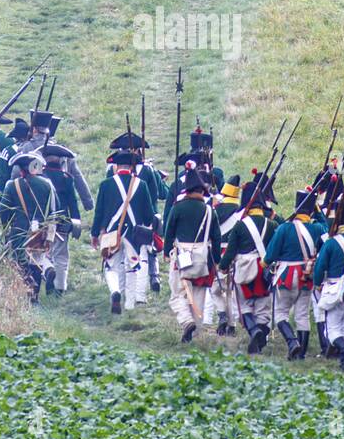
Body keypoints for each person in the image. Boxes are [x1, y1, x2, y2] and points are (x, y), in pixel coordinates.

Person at [91, 146, 155, 314]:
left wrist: (94, 233)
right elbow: (149, 215)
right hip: (134, 233)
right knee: (133, 266)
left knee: (111, 266)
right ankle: (130, 304)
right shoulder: (141, 185)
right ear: (131, 167)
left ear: (116, 166)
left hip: (111, 231)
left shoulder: (106, 184)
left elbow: (99, 212)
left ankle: (115, 291)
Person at [218, 176, 277, 354]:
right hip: (265, 270)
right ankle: (259, 335)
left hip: (244, 269)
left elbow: (230, 251)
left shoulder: (240, 226)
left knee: (243, 307)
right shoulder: (273, 224)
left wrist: (223, 266)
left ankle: (254, 331)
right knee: (262, 307)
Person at [162, 168, 223, 342]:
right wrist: (216, 261)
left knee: (177, 294)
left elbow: (169, 231)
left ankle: (186, 321)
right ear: (202, 191)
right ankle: (194, 335)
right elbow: (216, 238)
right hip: (203, 258)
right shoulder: (210, 211)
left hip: (181, 257)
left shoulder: (178, 207)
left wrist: (166, 252)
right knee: (198, 297)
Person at [266, 188, 326, 359]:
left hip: (286, 275)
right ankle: (301, 354)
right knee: (302, 315)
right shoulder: (317, 228)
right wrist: (318, 211)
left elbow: (271, 255)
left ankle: (293, 343)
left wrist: (264, 265)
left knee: (281, 314)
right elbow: (327, 230)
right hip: (306, 276)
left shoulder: (285, 228)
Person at [0, 151, 58, 302]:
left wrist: (4, 229)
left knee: (21, 262)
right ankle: (35, 296)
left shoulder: (12, 186)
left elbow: (3, 210)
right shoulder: (47, 184)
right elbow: (53, 211)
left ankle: (27, 293)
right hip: (40, 231)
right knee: (37, 260)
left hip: (19, 231)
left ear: (21, 170)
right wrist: (50, 233)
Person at [313, 197, 344, 371]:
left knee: (332, 330)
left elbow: (320, 267)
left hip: (334, 289)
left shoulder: (332, 242)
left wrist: (317, 283)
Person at [40, 143, 82, 296]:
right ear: (59, 160)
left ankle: (48, 269)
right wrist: (76, 222)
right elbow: (73, 203)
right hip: (62, 221)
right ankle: (60, 288)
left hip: (43, 222)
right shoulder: (66, 178)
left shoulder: (40, 178)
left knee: (40, 252)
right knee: (62, 255)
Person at [207, 174, 242, 336]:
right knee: (230, 291)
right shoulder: (241, 212)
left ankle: (222, 314)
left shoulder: (215, 209)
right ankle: (231, 324)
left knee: (215, 289)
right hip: (235, 255)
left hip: (217, 253)